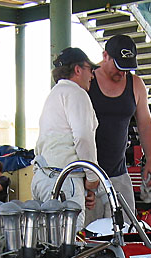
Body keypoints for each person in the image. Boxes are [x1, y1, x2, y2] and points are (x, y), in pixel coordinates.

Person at [86, 34, 151, 224]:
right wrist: (84, 179)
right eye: (118, 66)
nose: (122, 72)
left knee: (126, 231)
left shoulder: (136, 84)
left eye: (127, 68)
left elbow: (145, 124)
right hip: (86, 176)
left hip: (119, 174)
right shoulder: (87, 79)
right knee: (87, 235)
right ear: (105, 56)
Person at [31, 47, 99, 230]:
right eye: (90, 69)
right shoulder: (77, 93)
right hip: (64, 180)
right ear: (77, 69)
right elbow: (83, 137)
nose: (92, 75)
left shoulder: (54, 94)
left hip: (43, 177)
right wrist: (92, 177)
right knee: (69, 241)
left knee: (46, 241)